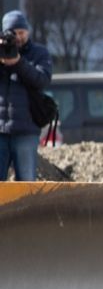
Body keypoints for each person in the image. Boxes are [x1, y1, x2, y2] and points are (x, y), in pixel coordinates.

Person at [0, 10, 52, 181]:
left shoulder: (39, 53)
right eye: (13, 33)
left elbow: (42, 80)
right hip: (1, 129)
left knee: (26, 181)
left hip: (26, 130)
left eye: (22, 32)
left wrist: (18, 62)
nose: (18, 37)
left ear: (28, 31)